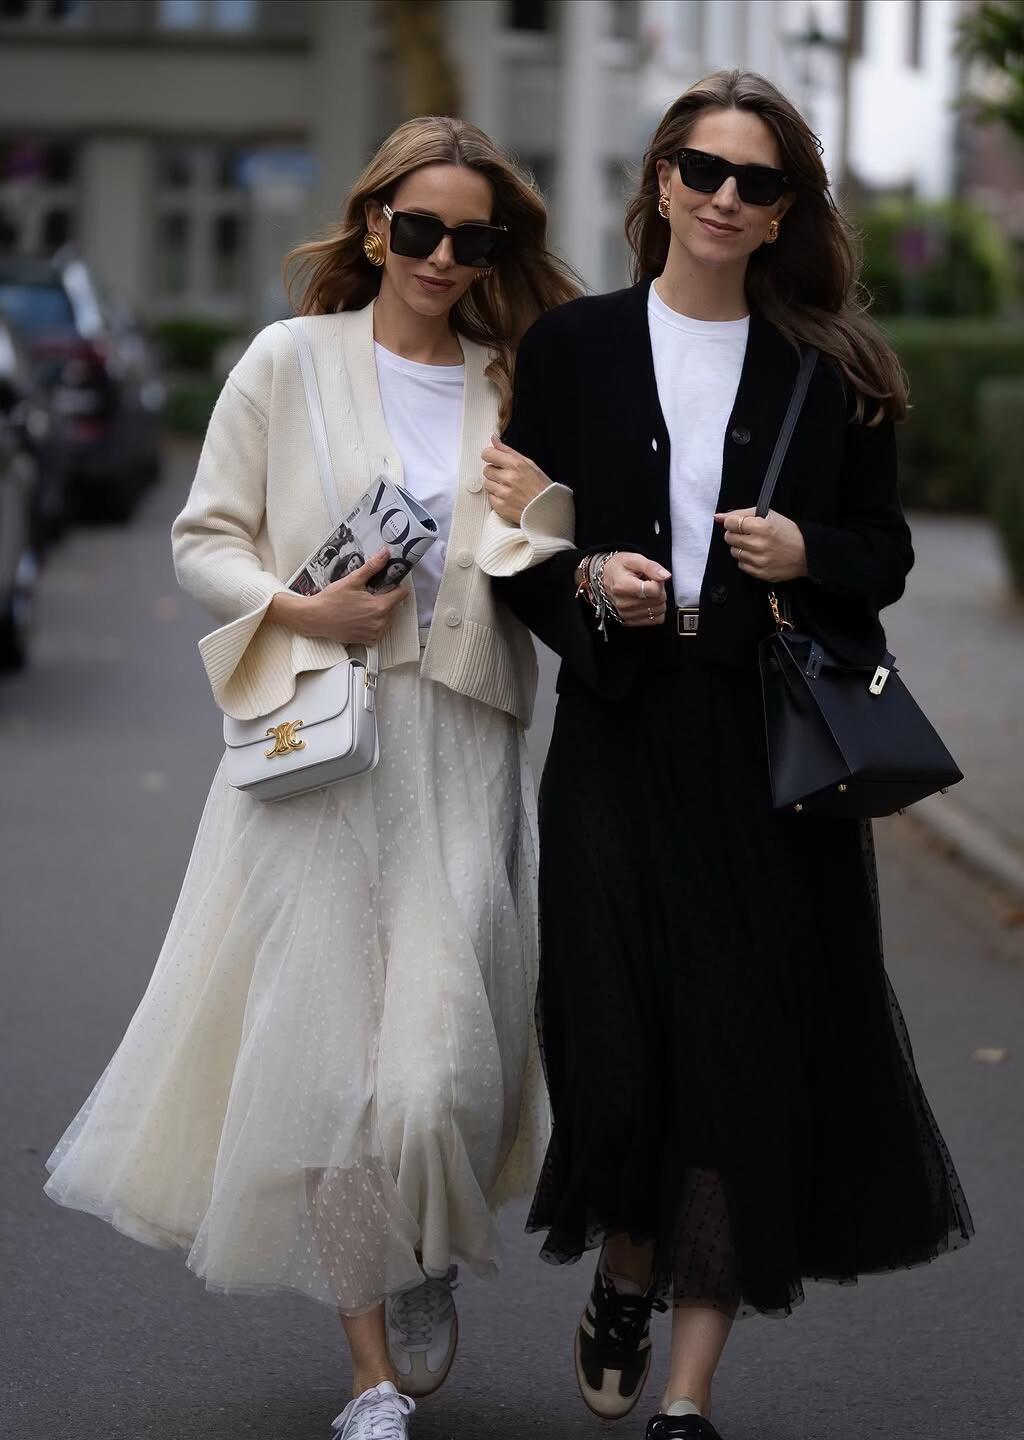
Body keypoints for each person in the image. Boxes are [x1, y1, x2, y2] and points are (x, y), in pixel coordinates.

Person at [44, 116, 577, 1440]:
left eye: (472, 239)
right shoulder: (287, 361)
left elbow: (545, 564)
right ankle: (370, 1376)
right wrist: (299, 607)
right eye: (420, 228)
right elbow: (203, 536)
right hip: (322, 743)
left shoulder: (513, 383)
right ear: (375, 224)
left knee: (444, 1068)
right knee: (331, 1071)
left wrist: (541, 509)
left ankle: (426, 1247)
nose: (443, 257)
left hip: (464, 740)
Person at [480, 70, 974, 1440]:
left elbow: (884, 555)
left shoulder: (830, 369)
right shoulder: (575, 347)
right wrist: (590, 584)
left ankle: (688, 1399)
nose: (724, 197)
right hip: (620, 735)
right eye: (703, 169)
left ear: (782, 213)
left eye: (756, 182)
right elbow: (516, 547)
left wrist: (808, 552)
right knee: (618, 1052)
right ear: (662, 180)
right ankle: (624, 1275)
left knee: (741, 1060)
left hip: (768, 755)